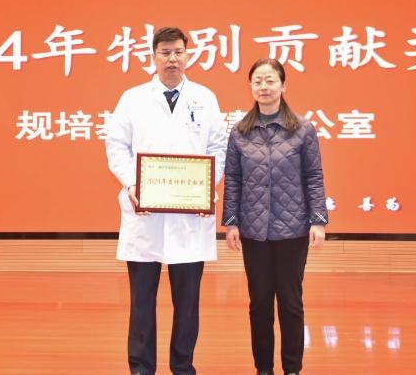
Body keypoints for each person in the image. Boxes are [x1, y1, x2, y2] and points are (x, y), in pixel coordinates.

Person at [105, 26, 227, 375]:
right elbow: (116, 145)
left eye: (178, 52)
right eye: (165, 52)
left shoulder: (205, 97)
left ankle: (183, 367)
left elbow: (218, 147)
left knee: (187, 303)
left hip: (190, 215)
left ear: (188, 55)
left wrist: (207, 184)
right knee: (142, 301)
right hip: (145, 213)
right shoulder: (133, 98)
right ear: (154, 56)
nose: (172, 58)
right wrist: (131, 183)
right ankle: (141, 368)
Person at [221, 58, 329, 375]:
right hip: (253, 230)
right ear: (251, 87)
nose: (264, 87)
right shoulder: (240, 132)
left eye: (270, 80)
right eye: (258, 81)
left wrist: (318, 220)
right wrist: (231, 222)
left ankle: (292, 368)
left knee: (291, 303)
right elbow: (233, 179)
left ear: (283, 85)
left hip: (293, 229)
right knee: (259, 304)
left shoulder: (303, 129)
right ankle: (264, 368)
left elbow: (313, 176)